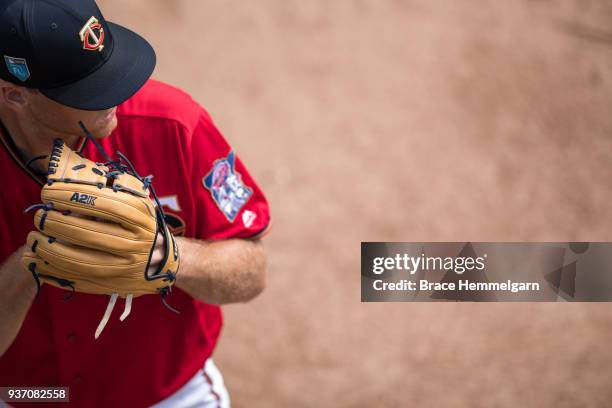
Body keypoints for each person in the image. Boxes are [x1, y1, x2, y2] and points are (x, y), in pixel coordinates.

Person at [0, 0, 270, 406]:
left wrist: (169, 255)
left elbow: (252, 272)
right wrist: (31, 264)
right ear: (14, 95)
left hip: (169, 396)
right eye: (84, 88)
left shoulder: (173, 123)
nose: (117, 91)